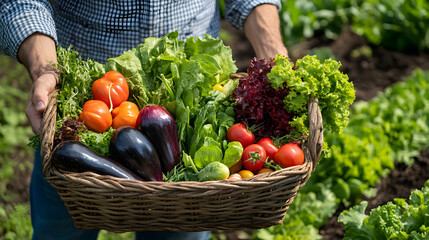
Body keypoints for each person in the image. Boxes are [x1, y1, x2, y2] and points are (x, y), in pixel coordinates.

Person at [0, 0, 288, 239]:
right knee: (60, 226)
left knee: (179, 232)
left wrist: (273, 53)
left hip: (190, 75)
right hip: (79, 93)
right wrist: (44, 68)